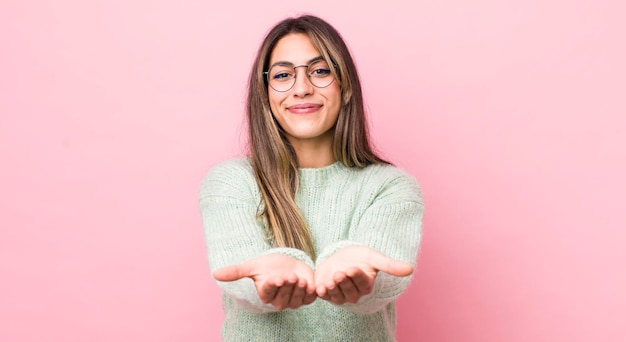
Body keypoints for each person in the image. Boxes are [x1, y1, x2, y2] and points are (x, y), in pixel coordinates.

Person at [199, 14, 424, 342]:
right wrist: (276, 273)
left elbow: (385, 283)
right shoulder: (230, 182)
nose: (301, 88)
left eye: (320, 71)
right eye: (283, 75)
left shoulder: (391, 187)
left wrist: (358, 275)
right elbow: (239, 274)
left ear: (345, 86)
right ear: (265, 93)